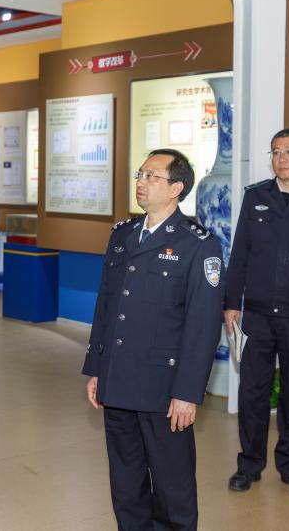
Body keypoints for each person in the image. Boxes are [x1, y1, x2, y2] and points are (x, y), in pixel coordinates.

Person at [83, 148, 224, 531]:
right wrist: (97, 369)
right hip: (118, 380)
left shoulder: (198, 244)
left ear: (176, 188)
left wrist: (187, 393)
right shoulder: (123, 234)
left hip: (164, 388)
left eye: (151, 176)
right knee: (125, 484)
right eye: (140, 175)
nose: (141, 183)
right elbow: (106, 307)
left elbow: (203, 326)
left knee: (172, 487)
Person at [224, 128, 289, 496]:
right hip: (258, 315)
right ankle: (248, 464)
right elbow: (240, 253)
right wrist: (231, 303)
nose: (282, 158)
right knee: (252, 391)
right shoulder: (256, 197)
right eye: (276, 151)